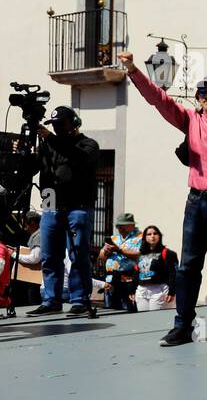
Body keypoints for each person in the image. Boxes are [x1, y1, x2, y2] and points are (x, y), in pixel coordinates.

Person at [120, 50, 207, 346]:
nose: (205, 95)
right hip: (197, 201)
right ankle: (183, 326)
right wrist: (133, 70)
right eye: (201, 91)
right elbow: (159, 100)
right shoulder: (190, 120)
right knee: (188, 266)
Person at [27, 106, 99, 317]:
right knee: (49, 255)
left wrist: (50, 138)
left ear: (74, 123)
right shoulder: (48, 146)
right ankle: (51, 300)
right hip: (50, 202)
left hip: (78, 204)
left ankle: (79, 300)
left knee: (77, 254)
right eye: (54, 125)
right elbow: (31, 169)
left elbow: (75, 156)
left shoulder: (88, 145)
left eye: (61, 124)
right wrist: (24, 152)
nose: (57, 128)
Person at [99, 212, 142, 311]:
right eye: (118, 226)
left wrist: (119, 250)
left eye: (123, 226)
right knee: (110, 309)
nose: (120, 228)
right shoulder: (114, 238)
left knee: (127, 309)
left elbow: (139, 255)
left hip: (128, 279)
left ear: (132, 225)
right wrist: (105, 251)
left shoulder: (141, 237)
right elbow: (101, 257)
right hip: (111, 279)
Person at [134, 225, 176, 311]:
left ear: (159, 236)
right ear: (145, 237)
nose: (152, 236)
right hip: (142, 290)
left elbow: (173, 273)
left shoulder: (167, 253)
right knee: (142, 318)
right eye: (149, 234)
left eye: (155, 233)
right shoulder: (140, 254)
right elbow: (136, 273)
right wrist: (131, 290)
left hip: (159, 290)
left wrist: (172, 292)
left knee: (156, 319)